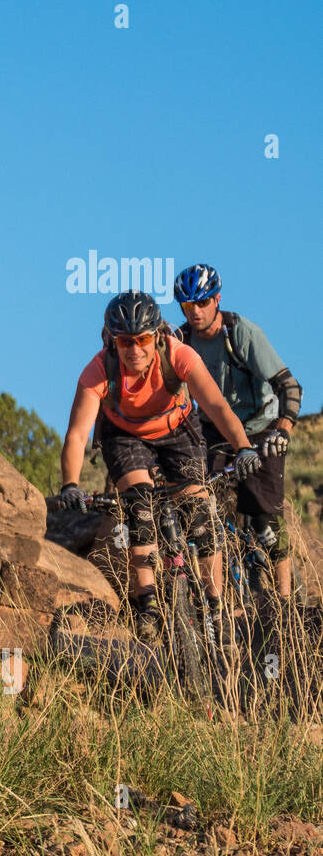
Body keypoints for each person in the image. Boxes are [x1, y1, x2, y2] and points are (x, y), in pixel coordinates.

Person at [56, 290, 263, 651]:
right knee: (138, 507)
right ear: (112, 341)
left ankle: (215, 606)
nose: (134, 350)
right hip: (125, 436)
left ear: (157, 336)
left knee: (200, 514)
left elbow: (215, 405)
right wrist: (70, 484)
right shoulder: (98, 369)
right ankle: (149, 605)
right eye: (125, 342)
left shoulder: (178, 354)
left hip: (178, 430)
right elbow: (76, 435)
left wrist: (243, 446)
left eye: (142, 340)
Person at [173, 263, 303, 600]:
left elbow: (289, 387)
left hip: (261, 430)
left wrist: (282, 432)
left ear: (217, 300)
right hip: (214, 431)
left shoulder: (242, 334)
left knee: (265, 521)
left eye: (202, 303)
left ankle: (285, 605)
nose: (195, 312)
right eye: (188, 306)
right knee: (200, 507)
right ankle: (217, 602)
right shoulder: (182, 341)